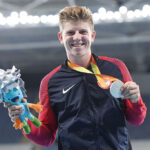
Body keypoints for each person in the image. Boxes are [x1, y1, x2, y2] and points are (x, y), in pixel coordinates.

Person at [5, 6, 146, 150]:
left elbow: (136, 120)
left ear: (92, 35)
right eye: (70, 32)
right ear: (61, 37)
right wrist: (24, 120)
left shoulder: (116, 67)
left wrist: (135, 99)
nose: (77, 37)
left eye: (83, 31)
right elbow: (46, 138)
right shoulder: (50, 82)